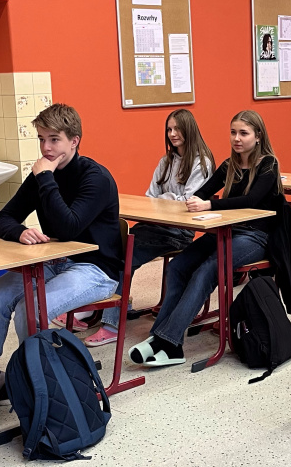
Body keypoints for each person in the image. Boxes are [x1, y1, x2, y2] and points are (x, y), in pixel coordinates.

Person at [0, 104, 122, 411]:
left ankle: (36, 384)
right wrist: (20, 232)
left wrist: (45, 178)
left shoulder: (95, 178)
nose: (46, 148)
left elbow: (69, 227)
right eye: (42, 139)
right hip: (55, 261)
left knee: (31, 309)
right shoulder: (43, 176)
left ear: (74, 140)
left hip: (96, 269)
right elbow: (3, 218)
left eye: (54, 139)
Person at [129, 111, 284, 366]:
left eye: (243, 133)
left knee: (208, 269)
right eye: (233, 132)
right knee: (178, 267)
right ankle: (161, 337)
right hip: (224, 230)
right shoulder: (229, 165)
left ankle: (169, 341)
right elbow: (201, 192)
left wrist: (210, 204)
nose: (236, 138)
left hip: (255, 236)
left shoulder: (268, 164)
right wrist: (194, 200)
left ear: (258, 136)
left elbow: (251, 200)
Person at [85, 109, 215, 346]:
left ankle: (112, 324)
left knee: (126, 254)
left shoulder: (202, 163)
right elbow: (150, 197)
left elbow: (189, 203)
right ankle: (112, 303)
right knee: (113, 245)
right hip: (155, 225)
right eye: (169, 129)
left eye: (177, 129)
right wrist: (167, 199)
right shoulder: (166, 161)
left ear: (189, 129)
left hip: (179, 231)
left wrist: (164, 200)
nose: (172, 134)